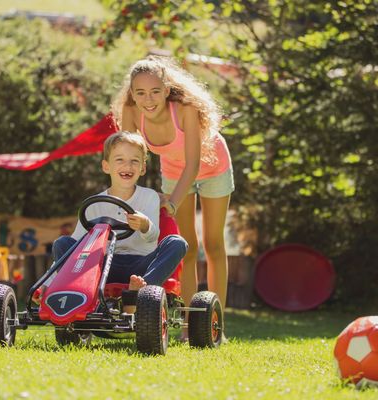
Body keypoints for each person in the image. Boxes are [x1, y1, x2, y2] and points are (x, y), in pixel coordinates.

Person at [112, 56, 234, 340]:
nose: (148, 99)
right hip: (173, 171)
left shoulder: (186, 109)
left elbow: (193, 164)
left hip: (212, 166)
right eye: (140, 92)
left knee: (213, 244)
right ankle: (192, 327)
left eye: (155, 91)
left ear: (167, 89)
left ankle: (216, 326)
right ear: (132, 94)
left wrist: (171, 201)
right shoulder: (131, 110)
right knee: (186, 247)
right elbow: (129, 159)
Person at [35, 131, 188, 314]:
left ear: (143, 168)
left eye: (134, 161)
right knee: (63, 243)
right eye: (120, 160)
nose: (127, 166)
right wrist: (46, 284)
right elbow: (73, 248)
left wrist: (145, 225)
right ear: (106, 166)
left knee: (178, 243)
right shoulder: (94, 203)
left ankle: (140, 292)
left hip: (140, 264)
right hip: (102, 265)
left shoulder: (150, 197)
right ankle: (78, 297)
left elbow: (152, 238)